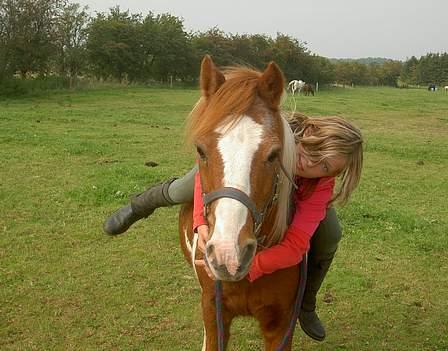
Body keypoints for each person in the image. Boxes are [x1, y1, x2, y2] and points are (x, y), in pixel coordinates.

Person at [103, 112, 363, 342]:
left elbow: (296, 246)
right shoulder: (272, 135)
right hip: (246, 170)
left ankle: (306, 304)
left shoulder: (319, 183)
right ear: (307, 133)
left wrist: (252, 266)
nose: (311, 164)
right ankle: (138, 207)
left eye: (325, 167)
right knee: (183, 186)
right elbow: (209, 184)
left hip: (296, 198)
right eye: (312, 151)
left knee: (331, 235)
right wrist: (200, 223)